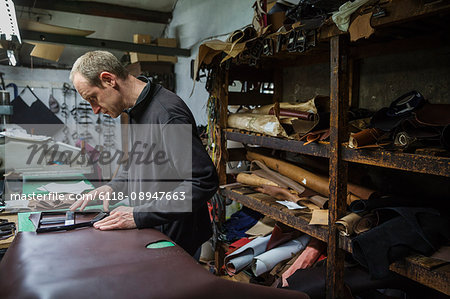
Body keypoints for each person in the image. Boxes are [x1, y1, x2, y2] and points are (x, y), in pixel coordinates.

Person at [69, 50, 218, 256]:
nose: (94, 109)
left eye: (93, 98)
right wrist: (112, 187)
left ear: (108, 79)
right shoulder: (137, 110)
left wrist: (138, 215)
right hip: (152, 231)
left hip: (174, 240)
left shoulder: (167, 114)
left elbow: (202, 181)